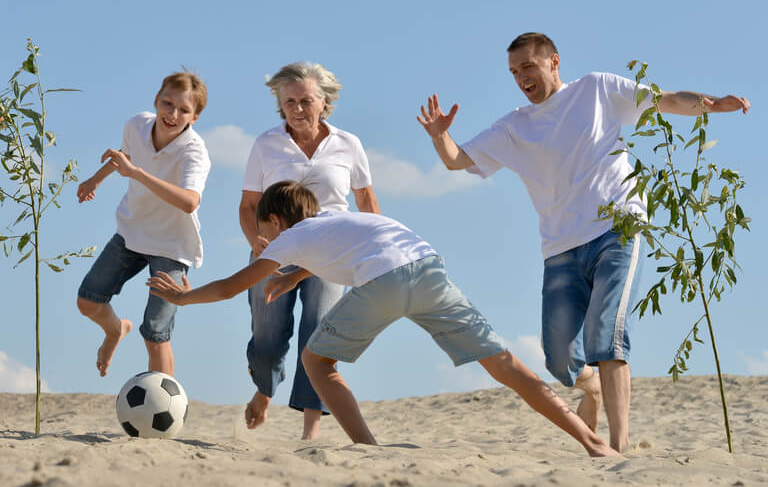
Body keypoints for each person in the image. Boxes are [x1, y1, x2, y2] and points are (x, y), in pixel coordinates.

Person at [417, 32, 751, 452]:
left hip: (618, 230)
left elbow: (666, 99)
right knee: (558, 357)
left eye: (528, 67)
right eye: (514, 72)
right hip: (559, 248)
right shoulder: (514, 126)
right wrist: (438, 136)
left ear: (554, 62)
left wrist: (714, 104)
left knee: (606, 333)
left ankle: (620, 446)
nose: (521, 77)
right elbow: (456, 160)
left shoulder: (596, 89)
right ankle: (590, 391)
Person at [148, 181, 619, 456]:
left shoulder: (291, 237)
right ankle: (592, 442)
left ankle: (367, 449)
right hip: (430, 268)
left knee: (318, 363)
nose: (261, 238)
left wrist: (183, 299)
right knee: (506, 366)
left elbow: (233, 286)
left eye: (261, 230)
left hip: (387, 278)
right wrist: (294, 279)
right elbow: (344, 250)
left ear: (274, 221)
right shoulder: (335, 221)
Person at [239, 62, 380, 440]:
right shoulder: (266, 144)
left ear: (324, 102)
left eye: (306, 101)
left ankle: (310, 429)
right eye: (289, 102)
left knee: (318, 334)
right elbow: (249, 205)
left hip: (332, 252)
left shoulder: (348, 144)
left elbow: (366, 199)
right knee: (266, 339)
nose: (298, 109)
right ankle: (265, 389)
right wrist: (256, 240)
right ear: (279, 104)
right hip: (275, 250)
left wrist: (373, 250)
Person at [75, 71, 210, 379]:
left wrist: (135, 173)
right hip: (132, 232)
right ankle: (115, 331)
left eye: (184, 110)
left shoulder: (195, 152)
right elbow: (124, 156)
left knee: (155, 332)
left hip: (171, 246)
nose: (173, 114)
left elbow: (190, 201)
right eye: (167, 104)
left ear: (195, 117)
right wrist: (94, 179)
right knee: (87, 301)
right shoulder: (136, 125)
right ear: (156, 101)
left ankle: (164, 416)